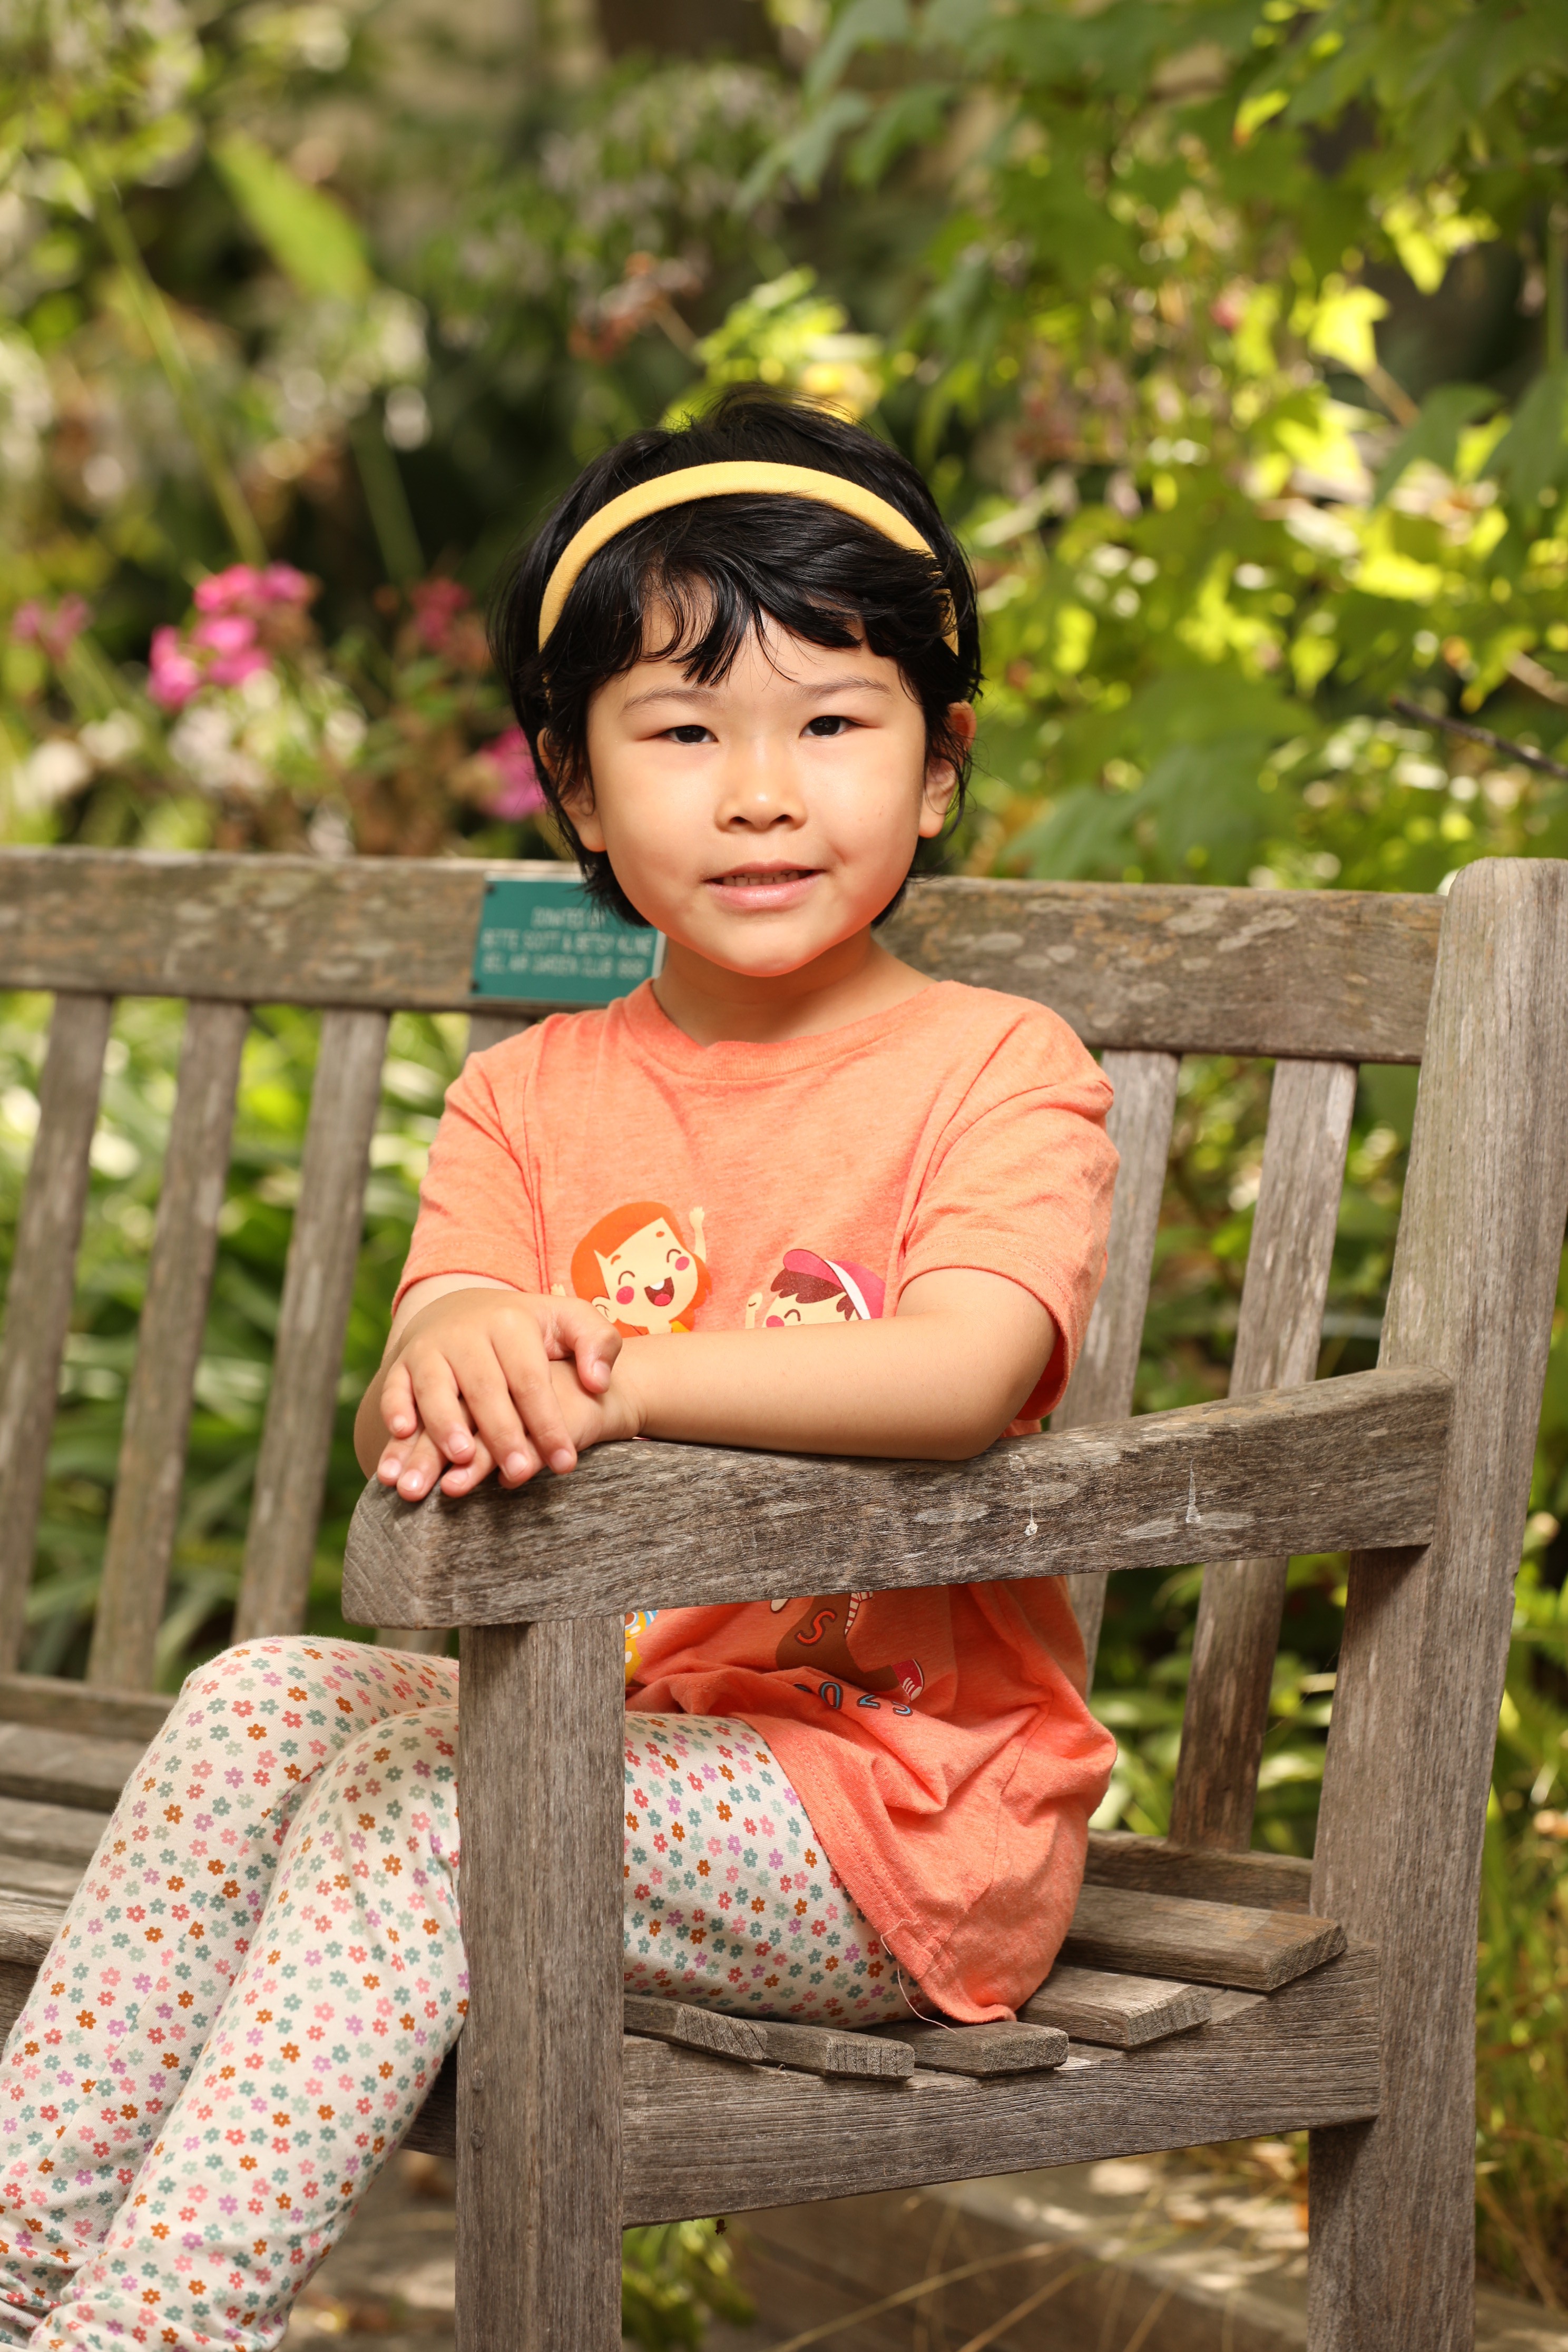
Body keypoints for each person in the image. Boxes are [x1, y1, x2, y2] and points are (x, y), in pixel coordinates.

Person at [0, 387, 1119, 2349]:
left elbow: (963, 1371)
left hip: (894, 1814)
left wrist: (624, 1377)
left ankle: (145, 2334)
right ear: (577, 789)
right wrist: (457, 1355)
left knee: (427, 1817)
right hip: (616, 1743)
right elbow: (429, 1361)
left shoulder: (997, 1070)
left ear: (938, 768)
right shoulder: (528, 1099)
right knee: (262, 1702)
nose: (760, 794)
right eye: (684, 733)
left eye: (832, 726)